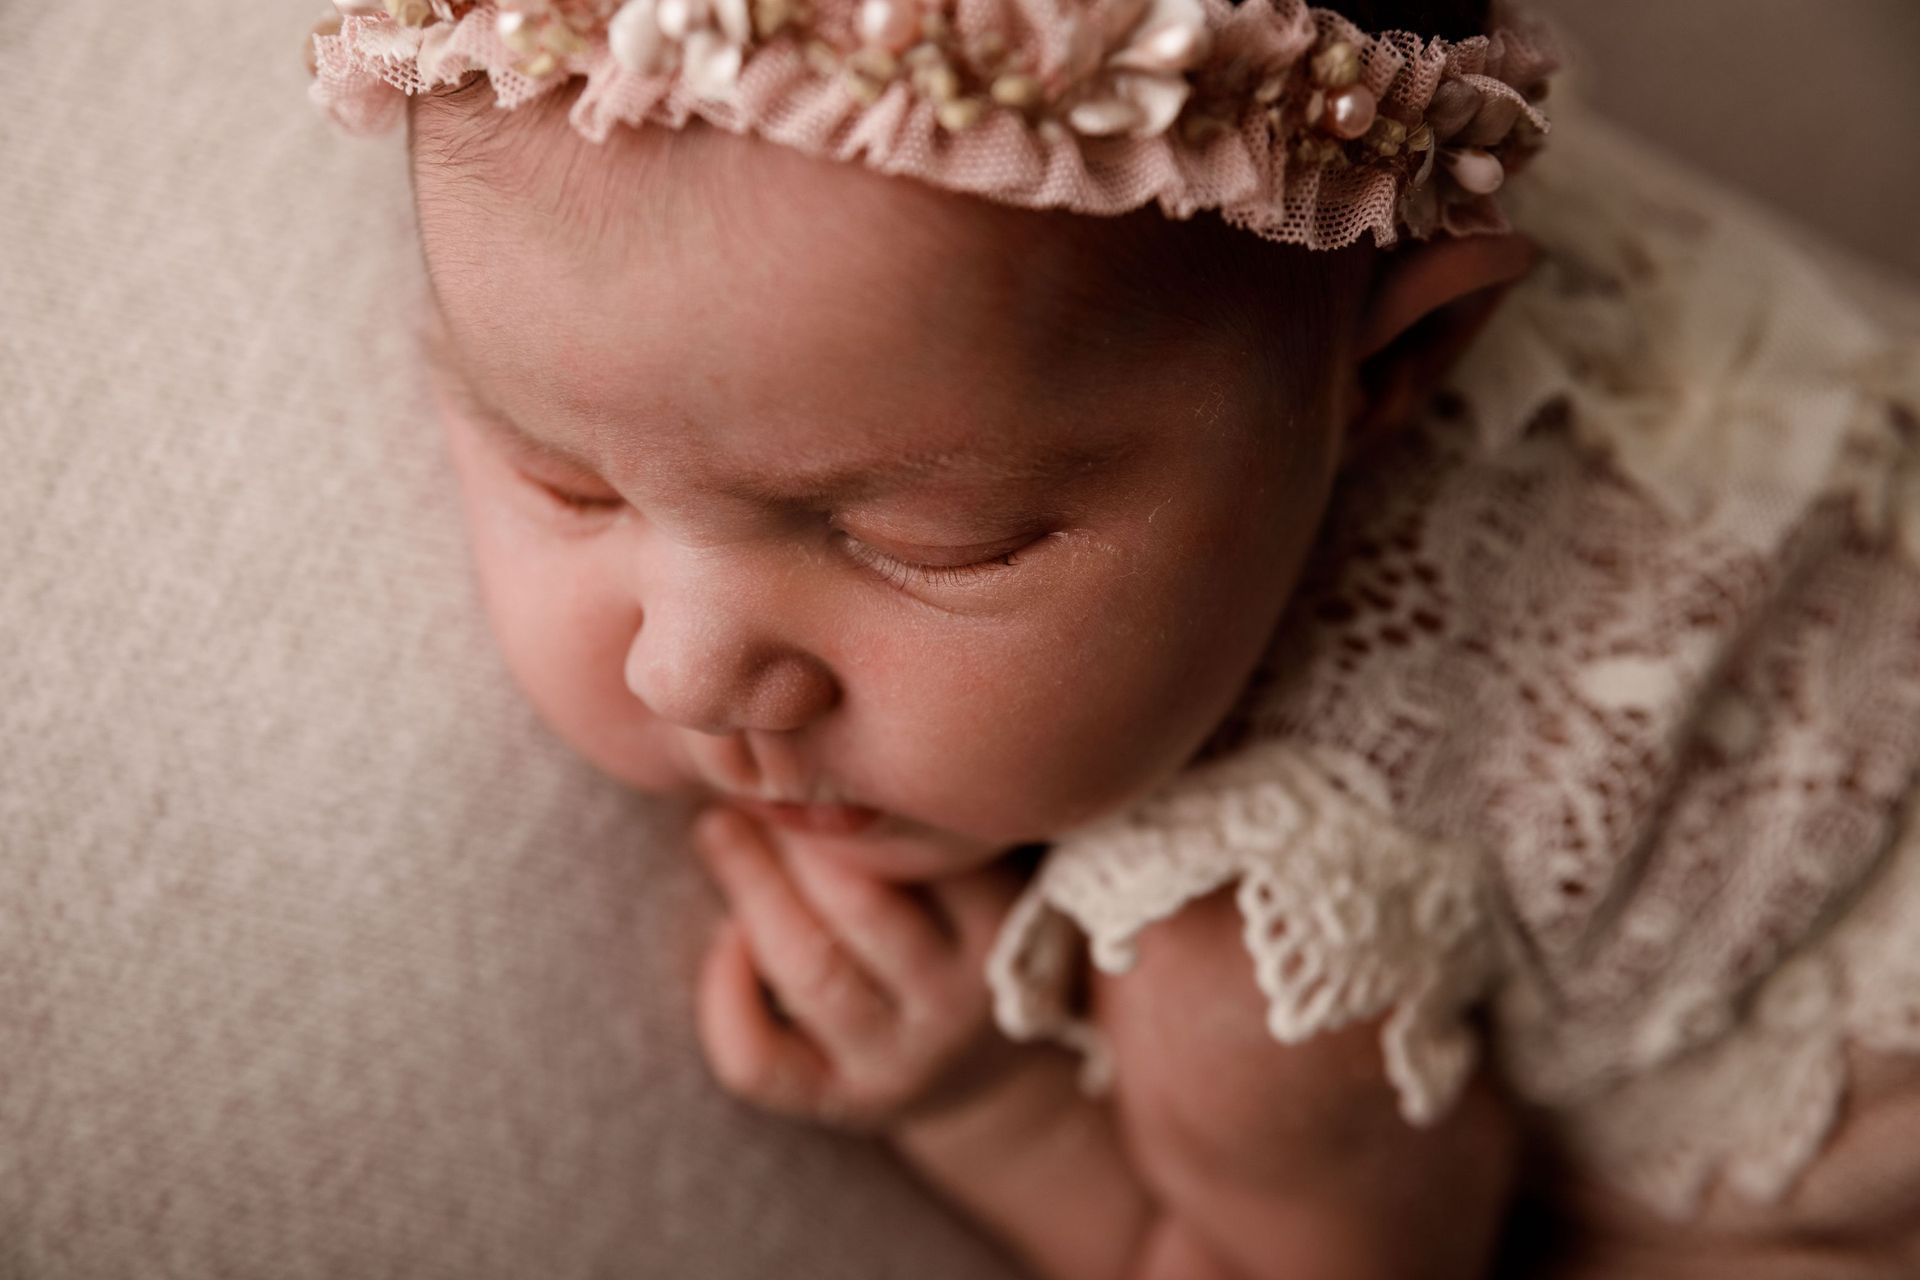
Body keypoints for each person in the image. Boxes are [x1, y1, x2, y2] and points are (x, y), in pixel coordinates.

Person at [312, 1, 1920, 1274]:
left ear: (1390, 369)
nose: (687, 674)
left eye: (925, 539)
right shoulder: (1338, 174)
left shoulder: (1257, 948)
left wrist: (997, 1110)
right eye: (561, 476)